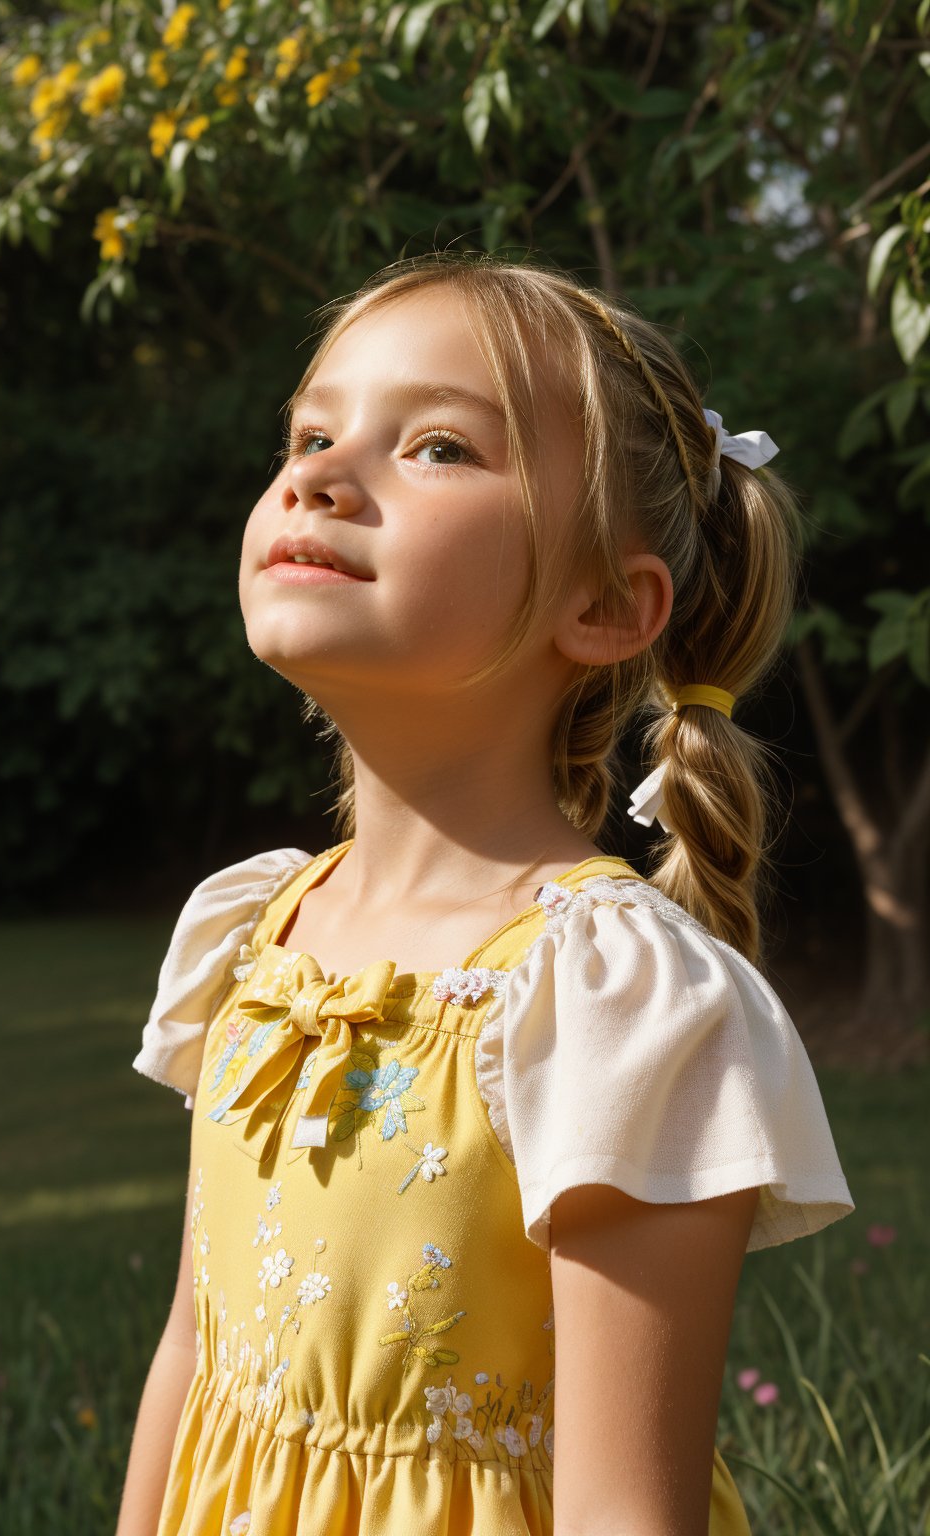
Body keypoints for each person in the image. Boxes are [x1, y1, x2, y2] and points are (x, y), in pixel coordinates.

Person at [115, 255, 854, 1536]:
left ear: (608, 606)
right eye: (311, 431)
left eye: (440, 445)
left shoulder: (611, 998)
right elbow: (193, 1354)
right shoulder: (256, 932)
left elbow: (628, 1509)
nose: (321, 474)